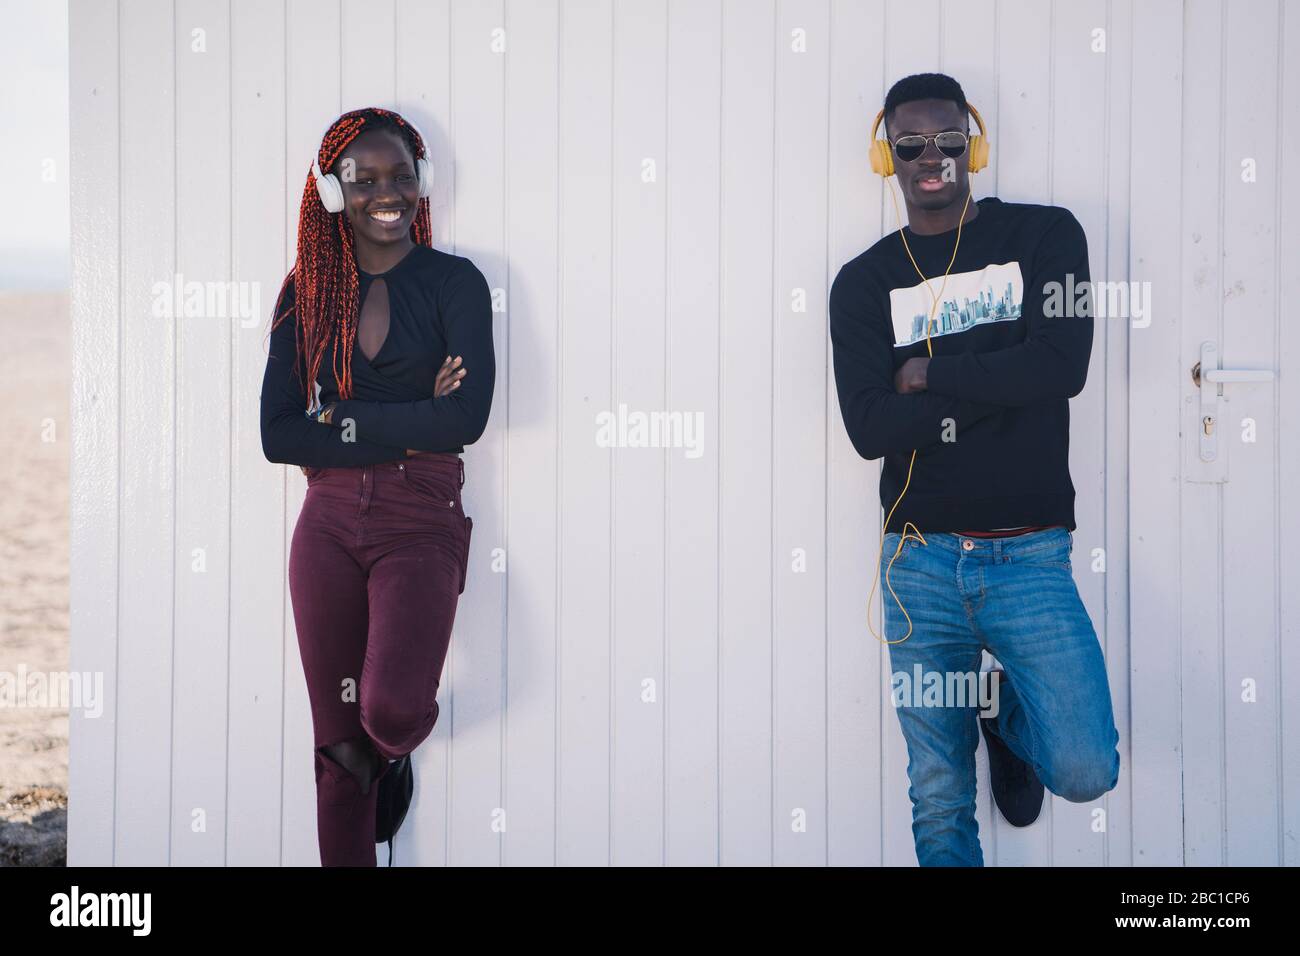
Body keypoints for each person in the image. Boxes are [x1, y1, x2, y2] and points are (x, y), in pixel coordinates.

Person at [828, 73, 1119, 866]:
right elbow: (869, 428)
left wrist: (929, 375)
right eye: (911, 143)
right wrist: (1003, 371)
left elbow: (1063, 367)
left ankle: (1009, 724)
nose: (932, 158)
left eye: (949, 141)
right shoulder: (860, 284)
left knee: (1087, 767)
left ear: (975, 147)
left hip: (1029, 556)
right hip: (917, 565)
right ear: (886, 156)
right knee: (938, 795)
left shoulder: (1047, 238)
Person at [259, 106, 495, 866]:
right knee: (339, 759)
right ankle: (366, 767)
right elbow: (277, 435)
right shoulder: (307, 293)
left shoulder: (456, 283)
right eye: (364, 179)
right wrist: (413, 412)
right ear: (335, 192)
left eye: (400, 176)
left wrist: (346, 416)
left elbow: (467, 417)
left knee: (388, 712)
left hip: (420, 514)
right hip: (325, 525)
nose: (384, 193)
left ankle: (392, 751)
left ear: (422, 184)